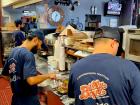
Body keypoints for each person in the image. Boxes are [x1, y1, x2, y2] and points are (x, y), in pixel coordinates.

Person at [68, 26, 140, 105]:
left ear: (94, 43)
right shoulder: (130, 68)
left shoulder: (76, 67)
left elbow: (72, 95)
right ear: (113, 44)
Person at [2, 29, 56, 105]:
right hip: (28, 100)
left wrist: (18, 83)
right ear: (35, 40)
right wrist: (49, 75)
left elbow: (5, 75)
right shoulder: (28, 54)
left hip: (16, 99)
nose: (39, 48)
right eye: (40, 44)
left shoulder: (14, 51)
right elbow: (31, 80)